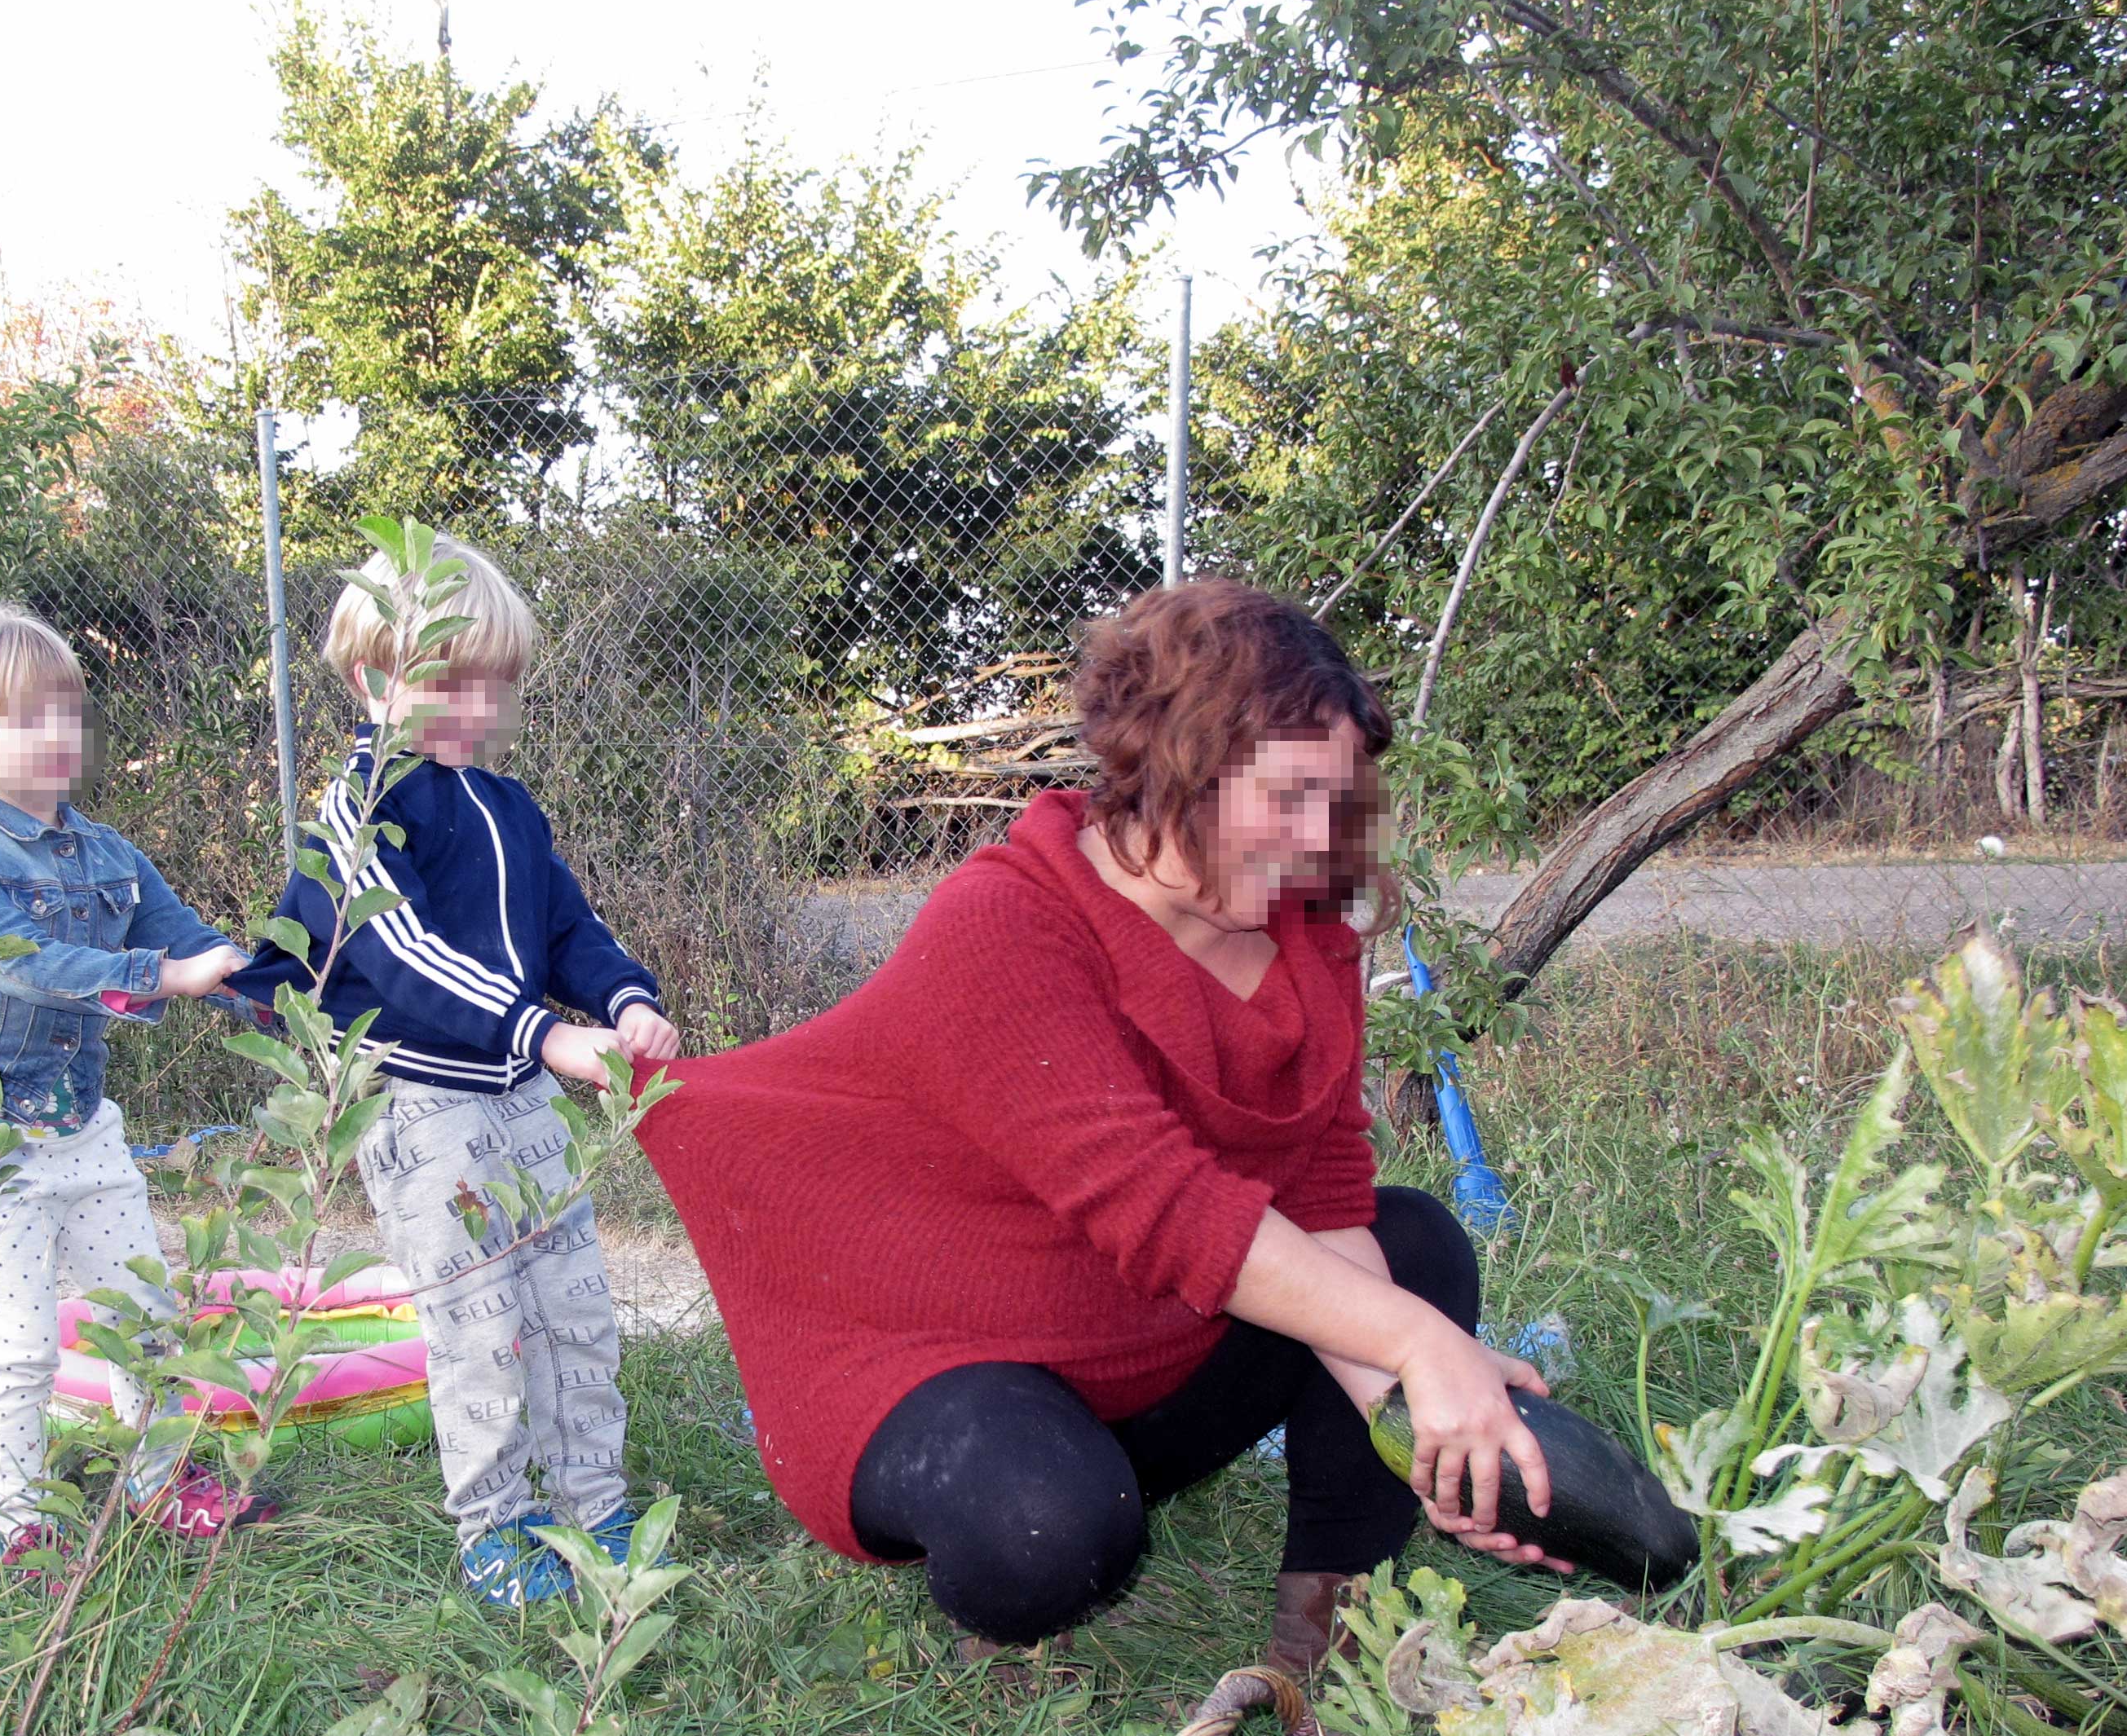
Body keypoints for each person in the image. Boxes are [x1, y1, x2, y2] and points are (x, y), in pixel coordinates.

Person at [634, 580, 1567, 1671]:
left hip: (1145, 1339)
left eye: (1342, 796)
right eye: (1289, 796)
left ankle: (1330, 1618)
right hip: (936, 1352)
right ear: (1180, 765)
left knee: (1413, 1251)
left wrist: (1422, 1421)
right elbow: (1161, 1207)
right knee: (1044, 1532)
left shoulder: (1307, 925)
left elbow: (1321, 1192)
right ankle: (1055, 1520)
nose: (1321, 836)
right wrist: (1417, 1347)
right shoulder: (1007, 924)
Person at [224, 535, 681, 1606]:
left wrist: (623, 1000)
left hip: (521, 1100)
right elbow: (409, 958)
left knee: (571, 1307)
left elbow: (566, 922)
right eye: (449, 681)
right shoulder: (361, 808)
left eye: (496, 685)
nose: (475, 709)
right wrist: (548, 1037)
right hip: (427, 1110)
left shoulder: (508, 806)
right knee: (482, 1326)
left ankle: (593, 1507)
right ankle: (499, 1530)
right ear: (372, 674)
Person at [0, 602, 267, 1580]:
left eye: (68, 712)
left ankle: (157, 1483)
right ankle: (21, 1525)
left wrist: (262, 984)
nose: (56, 735)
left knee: (146, 1316)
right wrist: (164, 976)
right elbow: (24, 966)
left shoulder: (111, 854)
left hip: (82, 1124)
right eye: (27, 718)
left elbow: (188, 936)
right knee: (20, 1346)